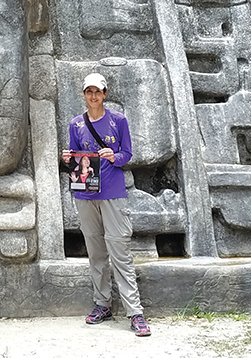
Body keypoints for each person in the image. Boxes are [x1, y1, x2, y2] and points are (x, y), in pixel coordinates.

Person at [61, 72, 151, 337]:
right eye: (89, 92)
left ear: (105, 94)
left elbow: (128, 154)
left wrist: (114, 155)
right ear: (84, 94)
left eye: (97, 92)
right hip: (85, 196)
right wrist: (67, 158)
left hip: (113, 193)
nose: (93, 96)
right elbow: (76, 161)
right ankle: (102, 304)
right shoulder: (76, 124)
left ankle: (135, 312)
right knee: (96, 253)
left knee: (120, 251)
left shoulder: (118, 121)